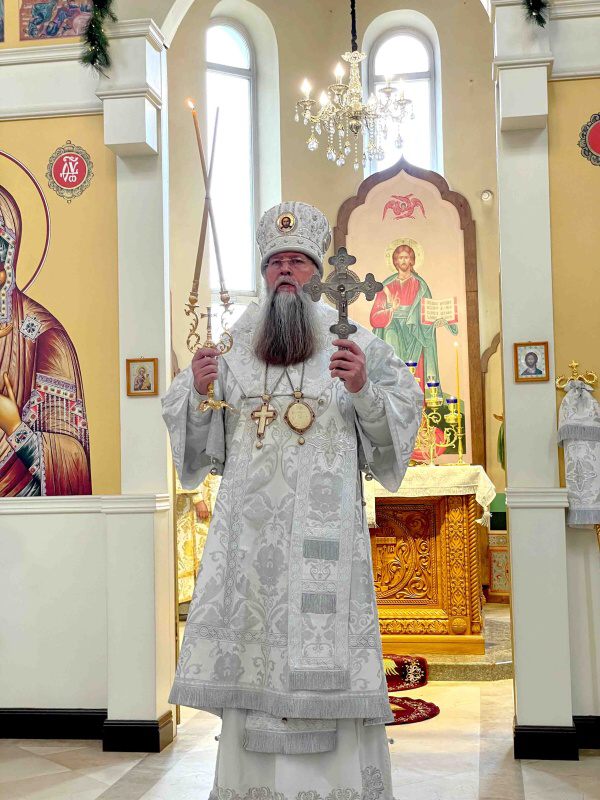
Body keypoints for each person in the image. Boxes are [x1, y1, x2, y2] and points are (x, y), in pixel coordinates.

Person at [161, 201, 423, 799]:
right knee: (257, 662)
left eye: (298, 261)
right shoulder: (234, 344)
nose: (285, 270)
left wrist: (363, 388)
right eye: (275, 261)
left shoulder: (353, 340)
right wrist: (198, 390)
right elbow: (198, 441)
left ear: (317, 274)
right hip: (253, 548)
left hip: (327, 538)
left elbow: (400, 417)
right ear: (263, 272)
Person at [0, 185, 91, 495]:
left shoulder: (45, 338)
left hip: (26, 511)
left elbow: (73, 460)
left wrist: (15, 427)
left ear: (9, 254)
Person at [370, 243, 457, 392]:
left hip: (415, 332)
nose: (403, 260)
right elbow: (374, 318)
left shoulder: (421, 285)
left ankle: (418, 404)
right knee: (393, 368)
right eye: (400, 258)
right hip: (393, 329)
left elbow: (428, 313)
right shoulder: (386, 286)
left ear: (412, 260)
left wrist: (438, 320)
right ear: (395, 261)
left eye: (407, 257)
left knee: (416, 373)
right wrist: (391, 309)